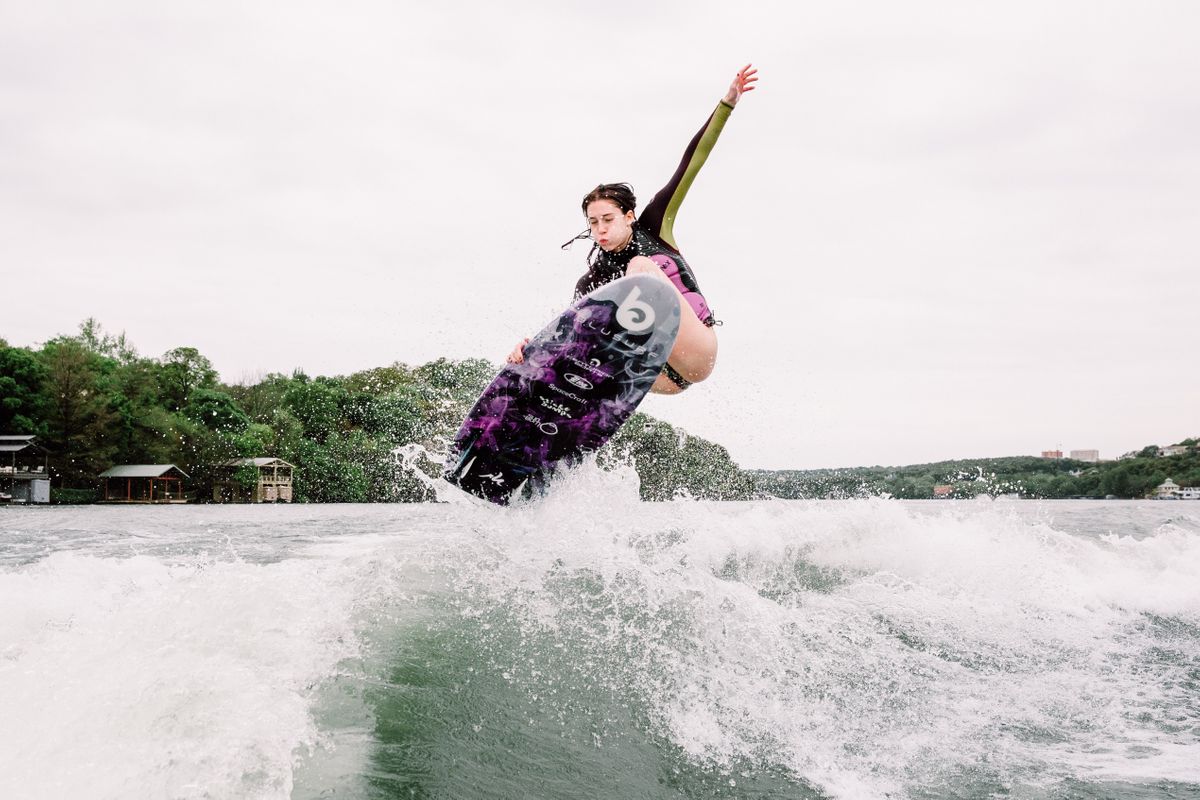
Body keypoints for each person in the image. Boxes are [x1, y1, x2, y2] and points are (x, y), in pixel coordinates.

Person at [508, 64, 758, 394]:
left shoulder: (654, 227)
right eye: (594, 223)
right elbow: (566, 334)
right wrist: (528, 352)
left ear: (628, 216)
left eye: (608, 220)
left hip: (697, 351)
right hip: (664, 379)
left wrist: (727, 103)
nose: (601, 230)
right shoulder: (595, 281)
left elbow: (690, 164)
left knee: (639, 268)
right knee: (577, 338)